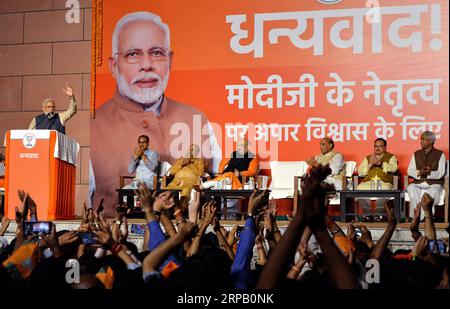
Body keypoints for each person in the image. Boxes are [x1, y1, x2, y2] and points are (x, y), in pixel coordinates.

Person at [90, 11, 220, 215]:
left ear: (170, 60)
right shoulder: (96, 125)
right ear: (114, 66)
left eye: (157, 52)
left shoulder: (197, 118)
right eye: (133, 54)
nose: (146, 65)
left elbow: (214, 175)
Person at [407, 131, 446, 220]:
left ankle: (427, 217)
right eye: (421, 139)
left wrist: (428, 174)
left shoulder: (440, 154)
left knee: (431, 193)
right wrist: (419, 173)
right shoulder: (416, 154)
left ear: (431, 141)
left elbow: (440, 173)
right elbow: (410, 170)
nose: (421, 141)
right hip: (419, 182)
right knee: (411, 188)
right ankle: (416, 216)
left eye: (423, 139)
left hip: (434, 183)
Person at [356, 138, 398, 221]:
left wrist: (381, 163)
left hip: (384, 182)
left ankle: (379, 215)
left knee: (384, 189)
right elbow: (360, 172)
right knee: (359, 189)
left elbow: (394, 168)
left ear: (385, 147)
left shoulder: (391, 157)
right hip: (369, 182)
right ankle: (367, 214)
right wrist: (370, 164)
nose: (377, 148)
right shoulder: (368, 158)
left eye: (380, 146)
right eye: (375, 146)